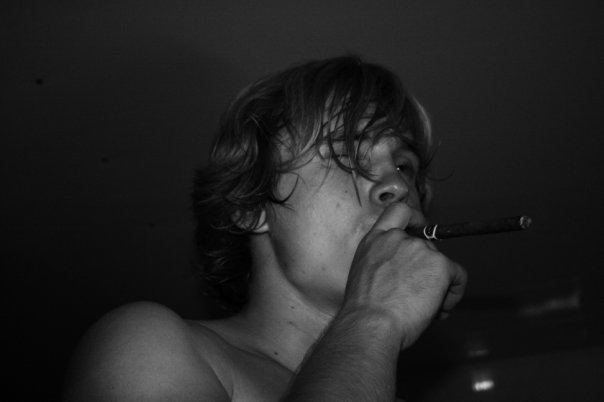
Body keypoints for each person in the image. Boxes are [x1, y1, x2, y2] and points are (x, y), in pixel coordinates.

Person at [63, 55, 467, 401]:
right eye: (345, 154)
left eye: (404, 165)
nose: (397, 185)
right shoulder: (147, 344)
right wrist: (374, 319)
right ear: (251, 205)